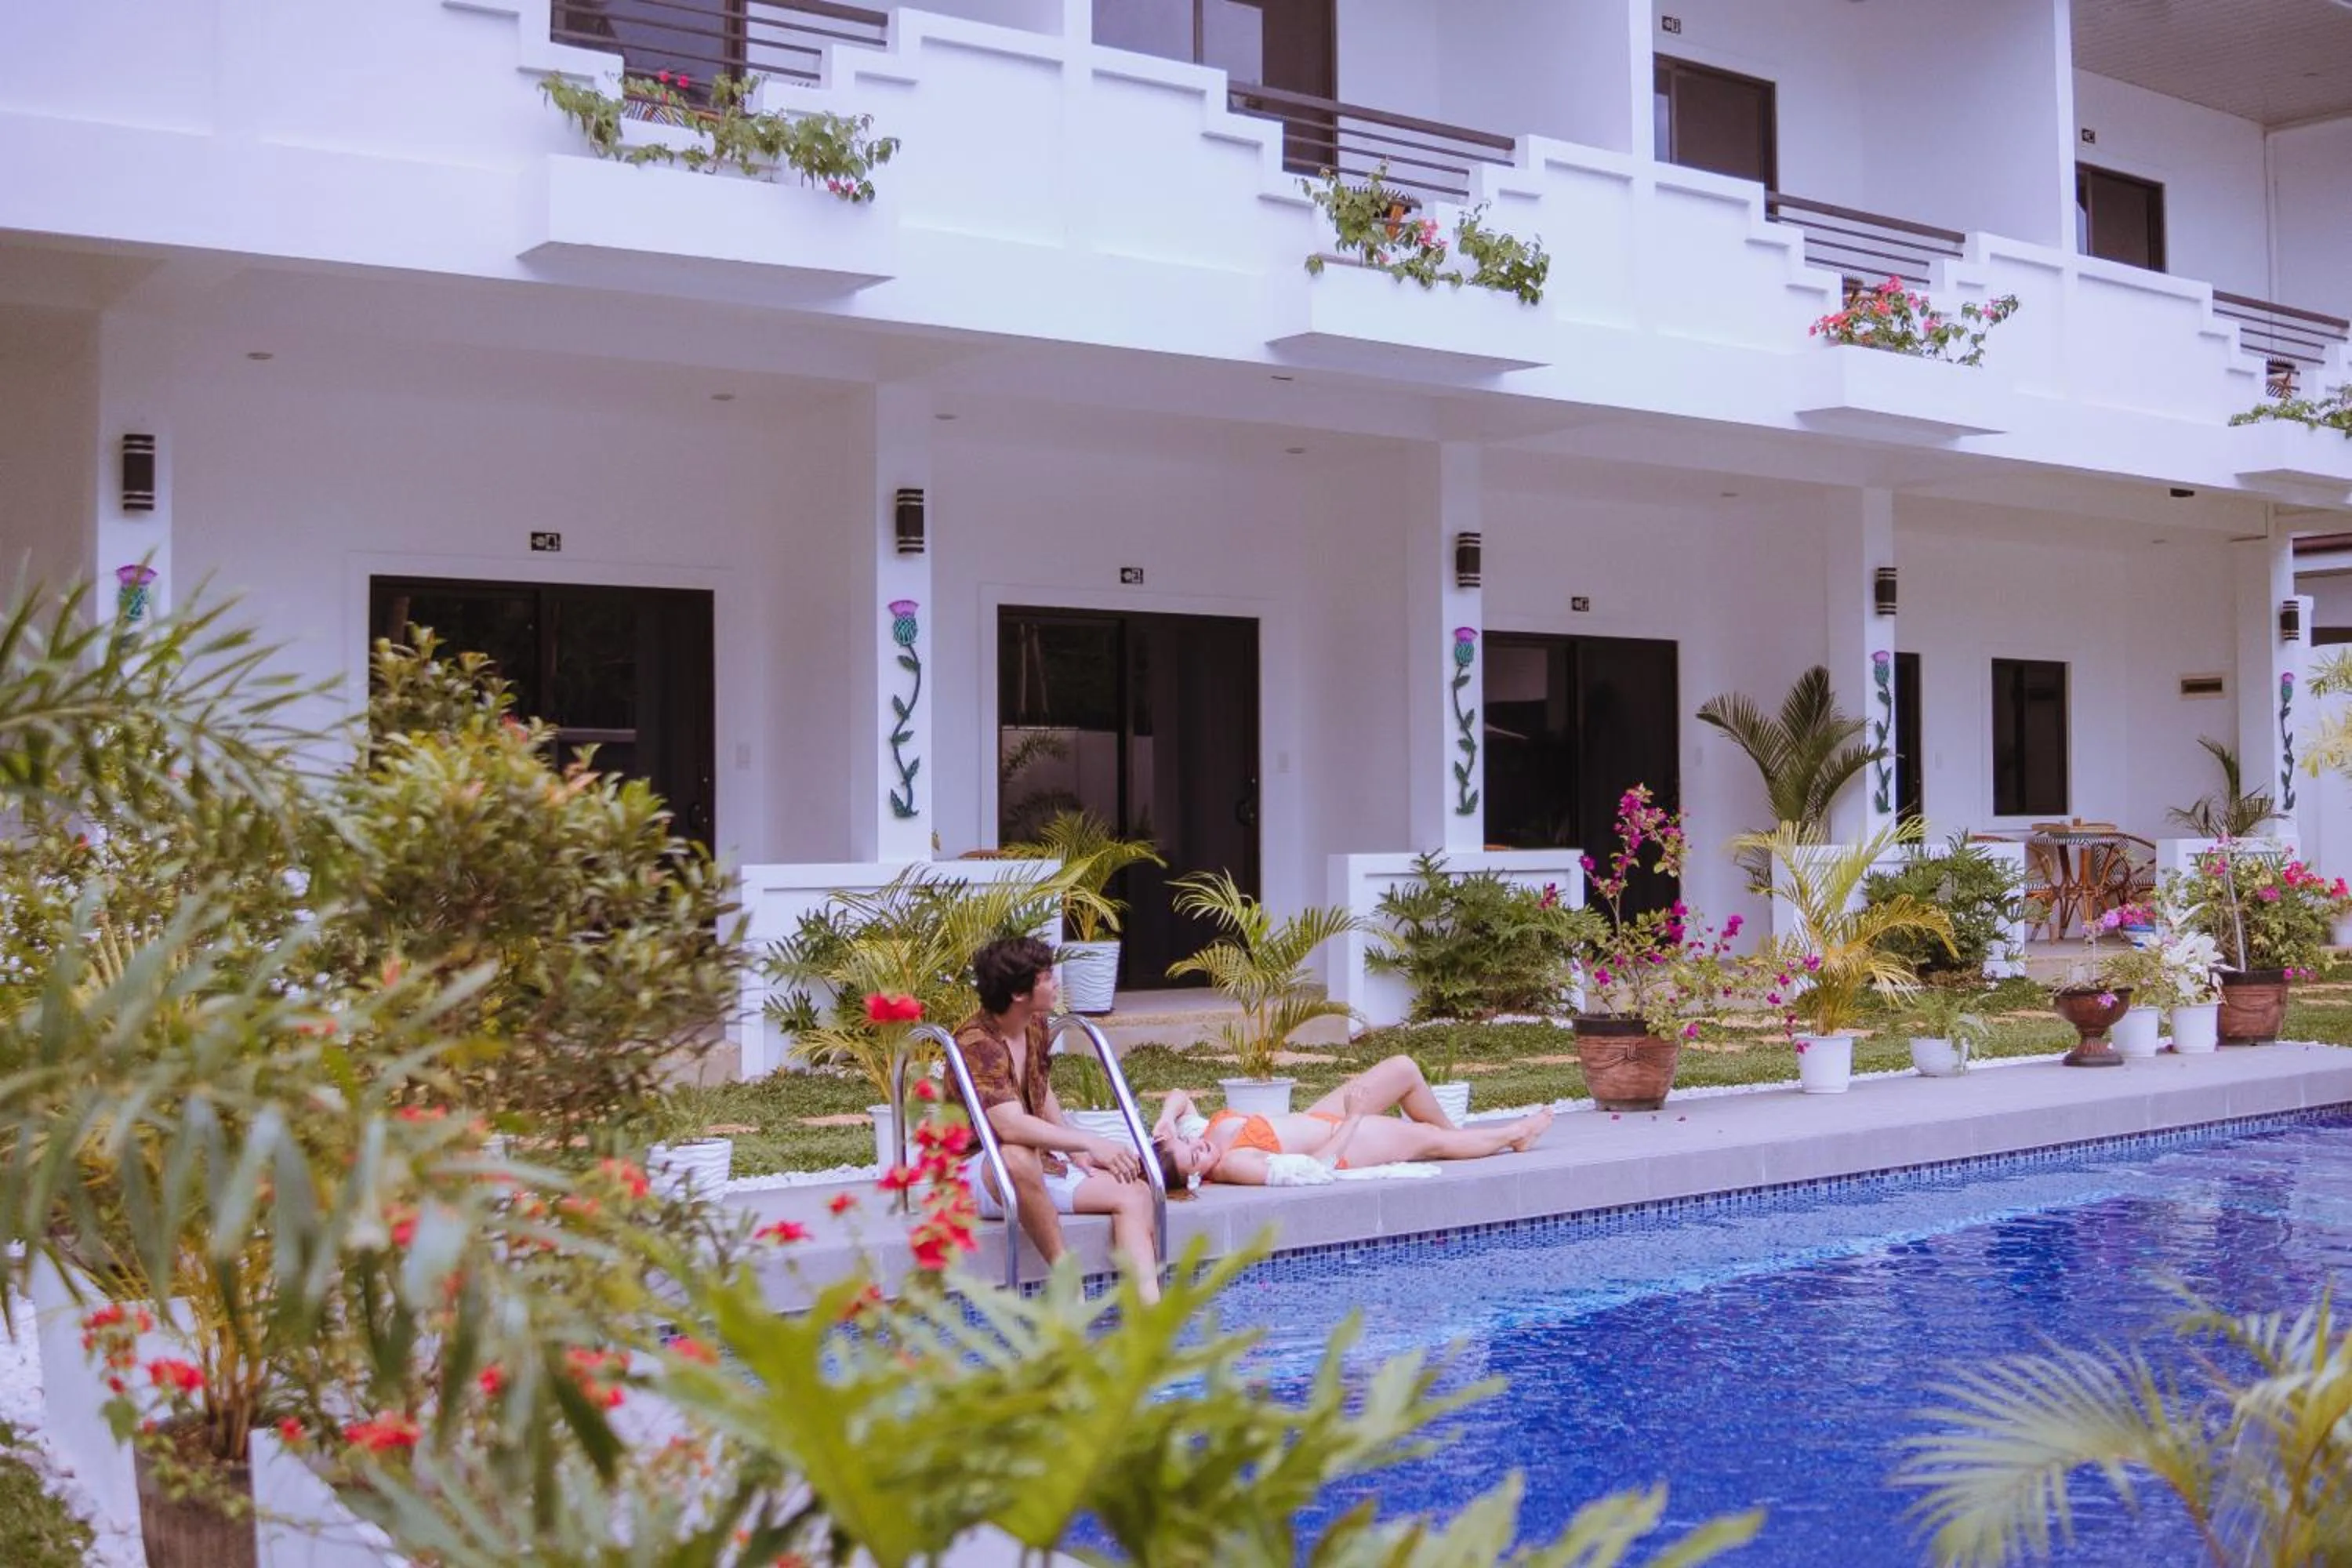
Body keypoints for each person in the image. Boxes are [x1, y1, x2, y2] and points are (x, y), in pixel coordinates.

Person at [949, 935, 1161, 1301]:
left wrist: (1072, 1147)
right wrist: (1088, 1140)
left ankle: (1148, 1320)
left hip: (1032, 1163)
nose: (1056, 982)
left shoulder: (1034, 1023)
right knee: (1016, 1153)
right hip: (972, 1170)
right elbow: (1009, 1126)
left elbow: (1040, 1089)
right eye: (1046, 977)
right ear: (1018, 993)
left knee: (1134, 1192)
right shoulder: (976, 1043)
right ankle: (1069, 1283)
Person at [1151, 1054, 1552, 1189]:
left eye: (1186, 1146)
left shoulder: (1201, 1136)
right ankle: (1513, 1135)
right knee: (1428, 1138)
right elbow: (1314, 1169)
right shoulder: (1234, 1164)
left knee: (1403, 1069)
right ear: (1195, 1180)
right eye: (1193, 1160)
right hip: (1345, 1142)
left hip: (1320, 1117)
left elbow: (1181, 1099)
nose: (1198, 1149)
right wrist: (1356, 1117)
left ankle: (1462, 1144)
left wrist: (1167, 1120)